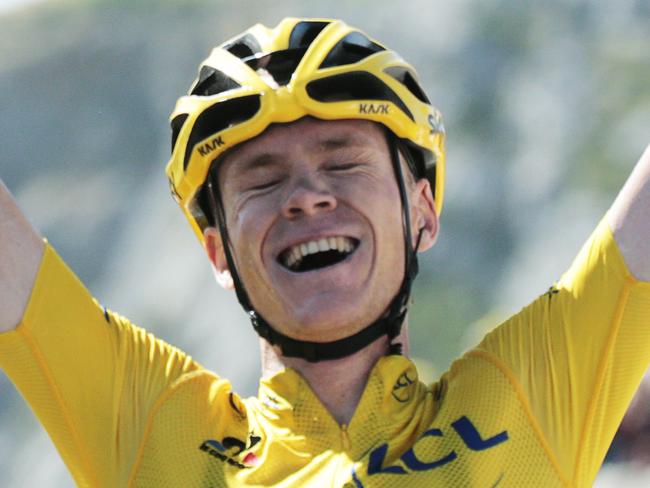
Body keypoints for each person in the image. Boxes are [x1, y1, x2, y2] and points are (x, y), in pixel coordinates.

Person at [0, 17, 648, 487]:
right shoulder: (152, 431)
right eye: (262, 179)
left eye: (343, 164)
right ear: (217, 252)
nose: (306, 198)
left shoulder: (528, 397)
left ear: (421, 212)